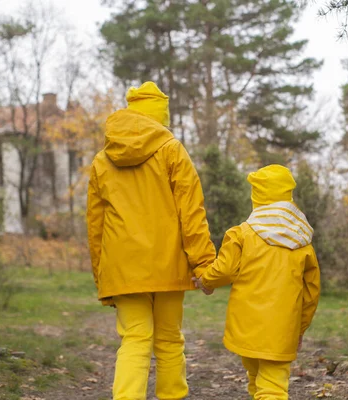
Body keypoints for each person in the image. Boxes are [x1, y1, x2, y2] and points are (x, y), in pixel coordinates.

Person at [86, 81, 216, 400]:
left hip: (123, 268)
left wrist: (102, 276)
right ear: (160, 117)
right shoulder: (172, 149)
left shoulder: (102, 161)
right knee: (169, 339)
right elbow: (192, 212)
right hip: (168, 264)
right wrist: (204, 264)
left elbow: (96, 226)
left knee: (134, 338)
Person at [193, 164, 321, 400]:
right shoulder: (303, 242)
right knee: (273, 387)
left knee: (255, 379)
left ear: (257, 197)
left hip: (247, 326)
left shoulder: (242, 233)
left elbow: (225, 270)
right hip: (282, 330)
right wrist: (299, 329)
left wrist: (205, 281)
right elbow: (311, 293)